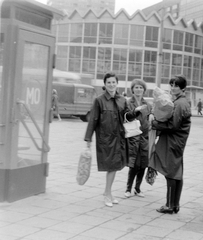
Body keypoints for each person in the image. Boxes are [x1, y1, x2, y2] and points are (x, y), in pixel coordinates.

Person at [84, 72, 142, 207]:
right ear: (105, 84)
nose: (111, 85)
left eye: (113, 82)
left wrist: (136, 111)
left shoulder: (122, 100)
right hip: (105, 139)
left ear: (117, 83)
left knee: (114, 167)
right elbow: (93, 119)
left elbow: (128, 116)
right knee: (111, 167)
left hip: (119, 139)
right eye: (108, 82)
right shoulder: (99, 100)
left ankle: (108, 193)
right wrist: (88, 139)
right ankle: (107, 194)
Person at [150, 75, 191, 214]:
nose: (173, 88)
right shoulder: (181, 101)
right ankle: (175, 205)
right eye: (171, 85)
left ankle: (169, 205)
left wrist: (155, 123)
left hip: (173, 141)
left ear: (183, 87)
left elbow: (173, 125)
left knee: (171, 172)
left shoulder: (180, 103)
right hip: (177, 141)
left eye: (176, 85)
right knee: (177, 172)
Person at [124, 79, 152, 198]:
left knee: (143, 164)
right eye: (136, 87)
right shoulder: (128, 103)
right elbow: (126, 117)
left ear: (144, 90)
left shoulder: (148, 105)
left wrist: (152, 116)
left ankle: (138, 188)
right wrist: (135, 111)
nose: (138, 89)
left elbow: (151, 116)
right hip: (133, 137)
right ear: (132, 89)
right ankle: (128, 188)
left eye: (141, 87)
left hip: (145, 137)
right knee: (134, 164)